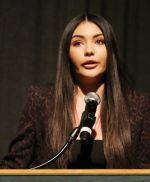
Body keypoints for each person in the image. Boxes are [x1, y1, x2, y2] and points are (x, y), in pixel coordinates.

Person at [0, 13, 150, 169]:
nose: (89, 51)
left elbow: (146, 175)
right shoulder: (40, 100)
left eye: (99, 41)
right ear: (67, 53)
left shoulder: (138, 105)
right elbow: (13, 168)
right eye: (78, 43)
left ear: (111, 50)